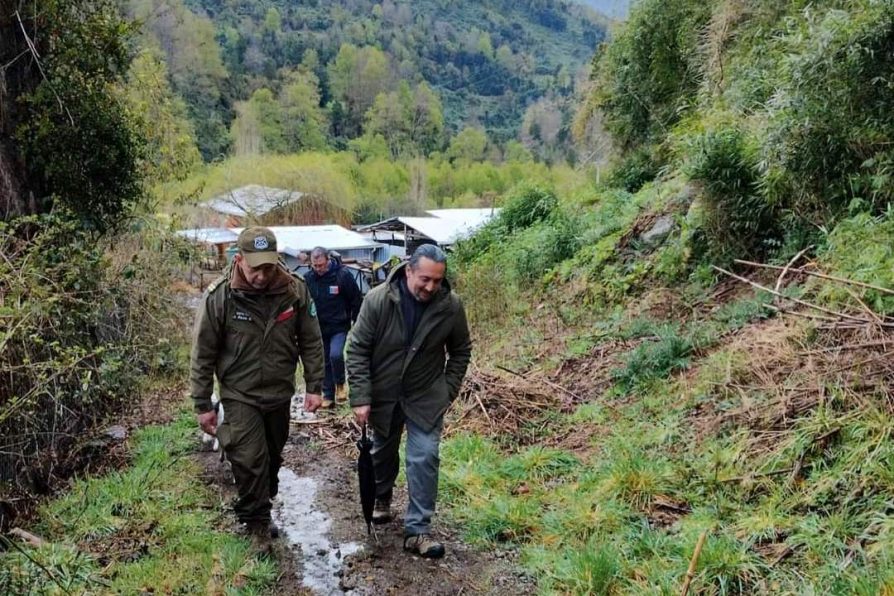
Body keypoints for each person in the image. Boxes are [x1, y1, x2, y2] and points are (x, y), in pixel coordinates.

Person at [190, 227, 325, 541]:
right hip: (239, 393)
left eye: (268, 266)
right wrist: (202, 404)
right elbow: (203, 352)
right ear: (239, 260)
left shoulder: (295, 290)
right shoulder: (220, 296)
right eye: (255, 268)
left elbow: (311, 340)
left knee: (272, 458)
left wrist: (315, 386)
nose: (262, 276)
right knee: (251, 459)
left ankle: (261, 497)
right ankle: (256, 525)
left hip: (279, 392)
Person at [346, 244, 472, 559]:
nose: (431, 287)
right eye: (425, 279)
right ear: (409, 271)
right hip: (384, 395)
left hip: (426, 395)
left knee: (424, 457)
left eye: (437, 281)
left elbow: (461, 350)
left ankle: (418, 530)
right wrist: (361, 396)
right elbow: (358, 348)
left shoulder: (451, 307)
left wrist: (448, 389)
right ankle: (382, 498)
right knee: (382, 453)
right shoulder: (378, 300)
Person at [304, 246, 363, 409]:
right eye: (315, 266)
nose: (318, 269)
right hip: (319, 327)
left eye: (321, 265)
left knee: (336, 355)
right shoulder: (309, 278)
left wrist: (355, 322)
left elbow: (356, 299)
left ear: (328, 260)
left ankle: (340, 384)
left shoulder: (342, 276)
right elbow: (304, 302)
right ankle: (328, 394)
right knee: (324, 361)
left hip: (339, 325)